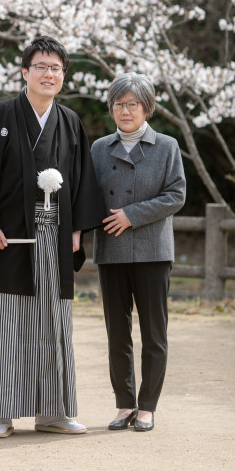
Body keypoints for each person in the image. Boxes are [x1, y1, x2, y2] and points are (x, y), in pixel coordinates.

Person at [0, 36, 106, 438]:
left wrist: (78, 231)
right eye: (41, 67)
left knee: (54, 322)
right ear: (24, 71)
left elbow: (82, 182)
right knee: (8, 323)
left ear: (63, 76)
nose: (49, 74)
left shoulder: (70, 122)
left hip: (56, 235)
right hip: (7, 236)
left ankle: (54, 412)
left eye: (56, 68)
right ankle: (3, 412)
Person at [90, 72, 186, 432]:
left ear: (147, 107)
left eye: (132, 104)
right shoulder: (99, 148)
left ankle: (147, 406)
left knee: (154, 332)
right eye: (118, 104)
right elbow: (88, 197)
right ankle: (123, 403)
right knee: (117, 332)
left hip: (152, 251)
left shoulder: (167, 146)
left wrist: (132, 215)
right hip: (111, 251)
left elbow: (176, 195)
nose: (125, 110)